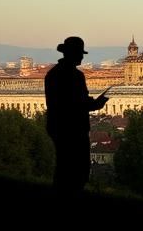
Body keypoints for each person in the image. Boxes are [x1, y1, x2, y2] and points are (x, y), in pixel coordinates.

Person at [44, 36, 108, 194]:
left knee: (63, 167)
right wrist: (96, 104)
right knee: (78, 169)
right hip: (74, 128)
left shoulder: (52, 74)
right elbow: (76, 103)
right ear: (72, 54)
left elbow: (62, 102)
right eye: (80, 53)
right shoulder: (75, 76)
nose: (82, 57)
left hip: (57, 126)